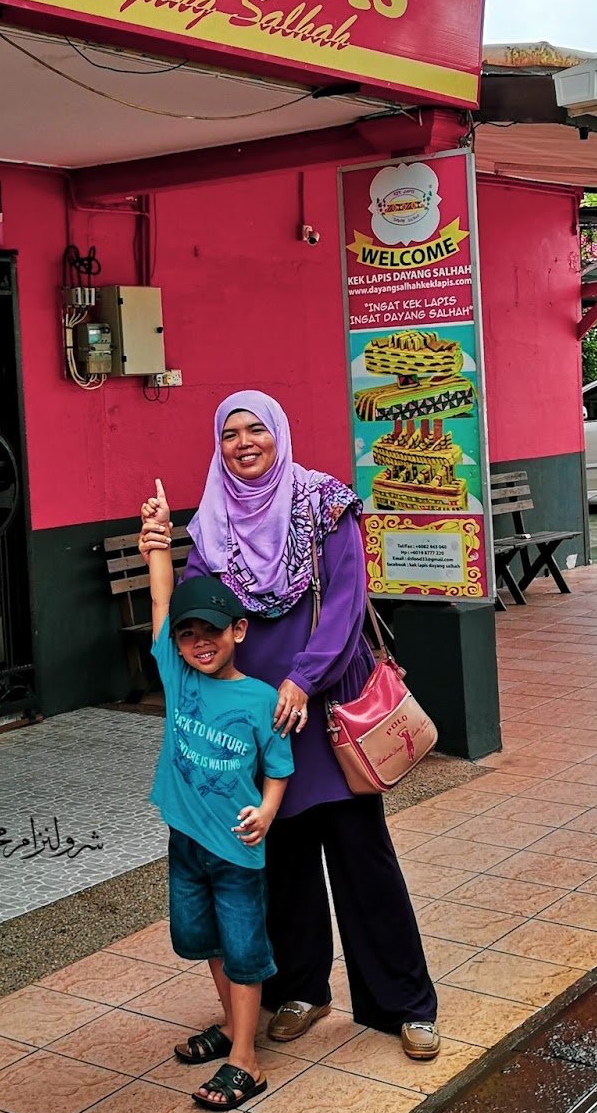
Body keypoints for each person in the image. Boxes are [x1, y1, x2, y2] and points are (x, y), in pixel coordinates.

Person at [177, 390, 440, 1062]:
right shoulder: (212, 522)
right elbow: (198, 611)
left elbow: (347, 601)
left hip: (324, 709)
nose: (242, 443)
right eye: (229, 433)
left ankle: (402, 1003)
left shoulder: (323, 503)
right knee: (282, 860)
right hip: (257, 719)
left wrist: (302, 678)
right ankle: (299, 989)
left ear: (277, 432)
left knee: (362, 857)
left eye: (254, 429)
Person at [137, 479, 296, 1111]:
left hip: (236, 850)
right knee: (202, 942)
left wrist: (267, 811)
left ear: (238, 630)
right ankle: (232, 1025)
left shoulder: (260, 699)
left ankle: (246, 1061)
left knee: (245, 949)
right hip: (185, 840)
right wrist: (158, 536)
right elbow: (159, 602)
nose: (198, 643)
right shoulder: (176, 675)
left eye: (210, 632)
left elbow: (278, 768)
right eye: (187, 635)